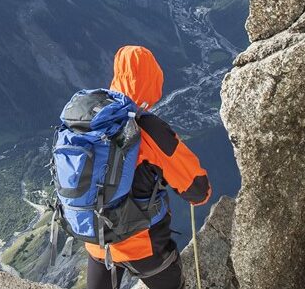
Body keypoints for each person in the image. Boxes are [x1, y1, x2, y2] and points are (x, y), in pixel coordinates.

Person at [84, 45, 211, 289]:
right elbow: (196, 188)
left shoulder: (91, 120)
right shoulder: (151, 130)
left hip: (98, 242)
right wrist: (200, 196)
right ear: (153, 80)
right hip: (144, 247)